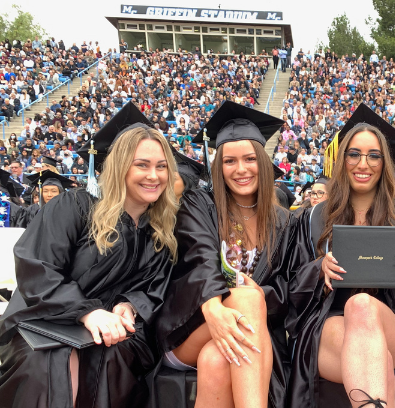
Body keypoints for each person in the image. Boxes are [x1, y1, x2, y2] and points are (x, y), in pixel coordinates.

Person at [0, 103, 179, 407]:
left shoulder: (159, 232)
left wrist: (131, 305)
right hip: (45, 319)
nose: (154, 175)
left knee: (112, 358)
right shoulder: (74, 207)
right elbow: (37, 266)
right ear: (120, 166)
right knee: (52, 362)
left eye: (161, 166)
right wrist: (87, 311)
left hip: (111, 333)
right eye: (142, 165)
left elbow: (157, 286)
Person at [286, 103, 395, 407]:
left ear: (384, 162)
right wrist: (319, 269)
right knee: (368, 345)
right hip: (328, 324)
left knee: (363, 307)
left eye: (373, 155)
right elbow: (290, 287)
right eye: (354, 154)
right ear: (342, 160)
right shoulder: (314, 218)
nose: (362, 163)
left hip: (389, 321)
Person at [151, 102, 297, 408]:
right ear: (219, 167)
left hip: (248, 331)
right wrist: (218, 306)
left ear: (263, 161)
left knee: (217, 359)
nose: (240, 169)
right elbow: (201, 259)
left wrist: (261, 296)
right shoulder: (200, 205)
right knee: (246, 298)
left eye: (249, 159)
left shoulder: (284, 222)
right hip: (192, 324)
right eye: (229, 161)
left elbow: (290, 285)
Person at [12, 171, 76, 228]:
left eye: (54, 191)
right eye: (45, 191)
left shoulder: (69, 211)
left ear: (60, 193)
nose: (49, 195)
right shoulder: (31, 211)